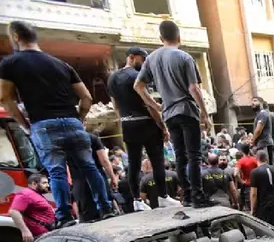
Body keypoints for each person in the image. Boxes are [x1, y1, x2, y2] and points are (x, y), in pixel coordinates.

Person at [0, 21, 112, 227]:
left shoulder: (10, 64)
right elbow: (86, 98)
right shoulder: (61, 64)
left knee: (56, 172)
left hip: (44, 124)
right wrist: (79, 120)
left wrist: (25, 125)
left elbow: (5, 99)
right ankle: (106, 208)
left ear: (15, 37)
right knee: (89, 167)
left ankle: (65, 217)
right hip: (72, 122)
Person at [135, 20, 213, 209]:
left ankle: (186, 195)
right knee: (194, 155)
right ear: (179, 37)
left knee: (180, 156)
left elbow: (138, 86)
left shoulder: (151, 59)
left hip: (169, 114)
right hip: (187, 110)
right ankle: (197, 196)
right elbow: (194, 88)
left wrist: (156, 105)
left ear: (161, 38)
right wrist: (205, 113)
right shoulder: (184, 57)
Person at [108, 47, 179, 212]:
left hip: (127, 124)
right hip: (146, 123)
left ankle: (136, 200)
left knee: (133, 163)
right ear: (131, 57)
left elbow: (115, 106)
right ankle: (163, 197)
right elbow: (148, 104)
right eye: (142, 59)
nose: (145, 62)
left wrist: (125, 120)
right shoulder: (136, 76)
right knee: (157, 160)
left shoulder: (112, 78)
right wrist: (162, 126)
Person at [72, 133, 120, 222]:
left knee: (87, 215)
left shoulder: (63, 140)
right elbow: (105, 161)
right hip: (97, 176)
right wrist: (113, 178)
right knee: (107, 214)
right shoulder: (92, 138)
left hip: (78, 181)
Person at [9, 173, 56, 242]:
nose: (48, 185)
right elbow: (13, 211)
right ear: (34, 184)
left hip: (47, 234)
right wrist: (25, 231)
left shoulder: (36, 194)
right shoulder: (25, 194)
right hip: (39, 237)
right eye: (44, 183)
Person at [250, 97, 274, 165]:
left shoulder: (262, 113)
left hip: (265, 144)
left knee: (266, 165)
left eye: (255, 101)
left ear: (261, 103)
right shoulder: (259, 114)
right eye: (251, 101)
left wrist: (252, 140)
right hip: (262, 144)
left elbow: (258, 130)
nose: (252, 103)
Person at [236, 144, 259, 210]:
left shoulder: (241, 161)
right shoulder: (255, 159)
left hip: (246, 185)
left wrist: (241, 181)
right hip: (256, 185)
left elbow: (235, 174)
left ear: (242, 151)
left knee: (247, 204)